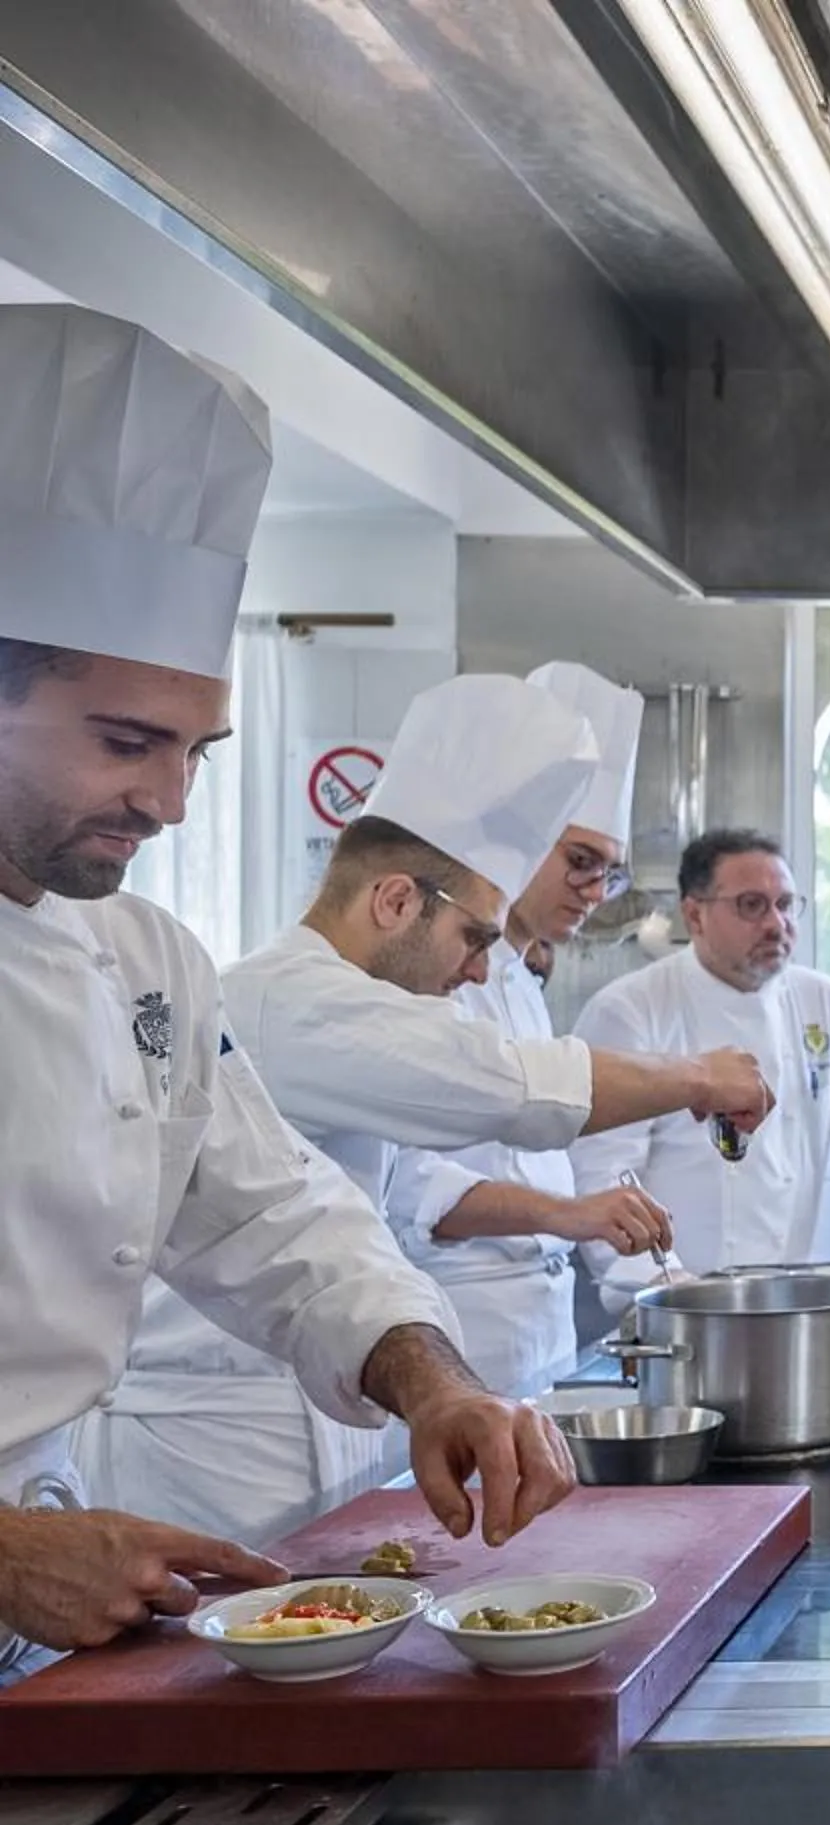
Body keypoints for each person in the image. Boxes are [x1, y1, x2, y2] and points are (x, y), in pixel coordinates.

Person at [0, 304, 567, 1662]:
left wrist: (429, 1382)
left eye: (197, 751)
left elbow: (275, 1214)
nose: (168, 800)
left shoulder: (143, 962)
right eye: (129, 742)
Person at [75, 675, 775, 1544]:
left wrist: (435, 1382)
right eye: (477, 938)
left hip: (334, 1401)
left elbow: (323, 1222)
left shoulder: (287, 996)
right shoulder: (284, 999)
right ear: (396, 900)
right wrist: (700, 1077)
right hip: (211, 1440)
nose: (486, 971)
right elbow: (503, 1086)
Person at [572, 829, 830, 1292]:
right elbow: (603, 1176)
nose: (777, 924)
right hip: (672, 1306)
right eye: (752, 905)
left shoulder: (825, 1003)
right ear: (694, 915)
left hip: (787, 1306)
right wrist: (669, 1289)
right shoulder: (631, 1009)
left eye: (786, 904)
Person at [426, 661, 658, 1393]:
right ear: (518, 843)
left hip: (537, 1330)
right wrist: (569, 1214)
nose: (595, 890)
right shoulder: (427, 979)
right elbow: (417, 1189)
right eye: (581, 862)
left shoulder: (522, 980)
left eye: (610, 873)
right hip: (455, 1331)